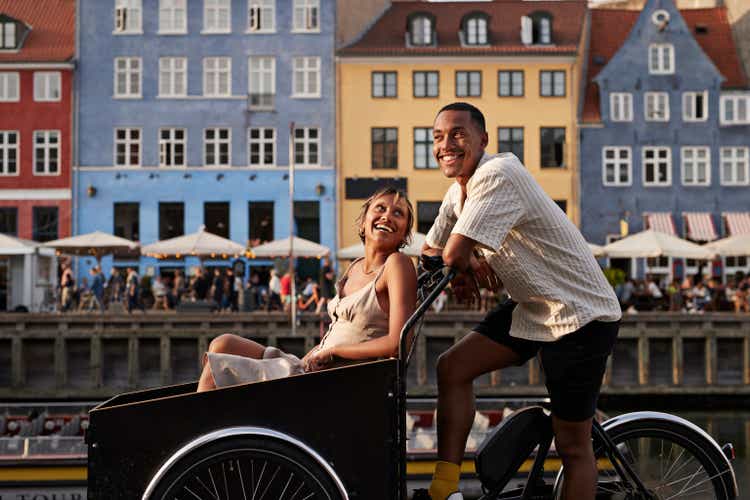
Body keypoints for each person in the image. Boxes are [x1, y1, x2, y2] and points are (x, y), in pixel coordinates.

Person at [417, 103, 621, 500]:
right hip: (534, 307)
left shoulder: (497, 174)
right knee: (452, 367)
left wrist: (467, 262)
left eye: (458, 134)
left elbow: (454, 254)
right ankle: (444, 490)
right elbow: (431, 252)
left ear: (483, 140)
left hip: (580, 313)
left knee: (573, 446)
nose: (446, 144)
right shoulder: (458, 193)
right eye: (438, 137)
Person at [197, 187, 417, 392]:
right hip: (310, 369)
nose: (387, 216)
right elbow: (337, 332)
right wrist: (310, 357)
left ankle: (202, 432)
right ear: (363, 222)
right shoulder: (354, 267)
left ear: (405, 235)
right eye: (380, 208)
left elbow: (397, 343)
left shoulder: (397, 264)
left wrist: (333, 352)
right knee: (222, 344)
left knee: (215, 372)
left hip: (335, 384)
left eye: (398, 213)